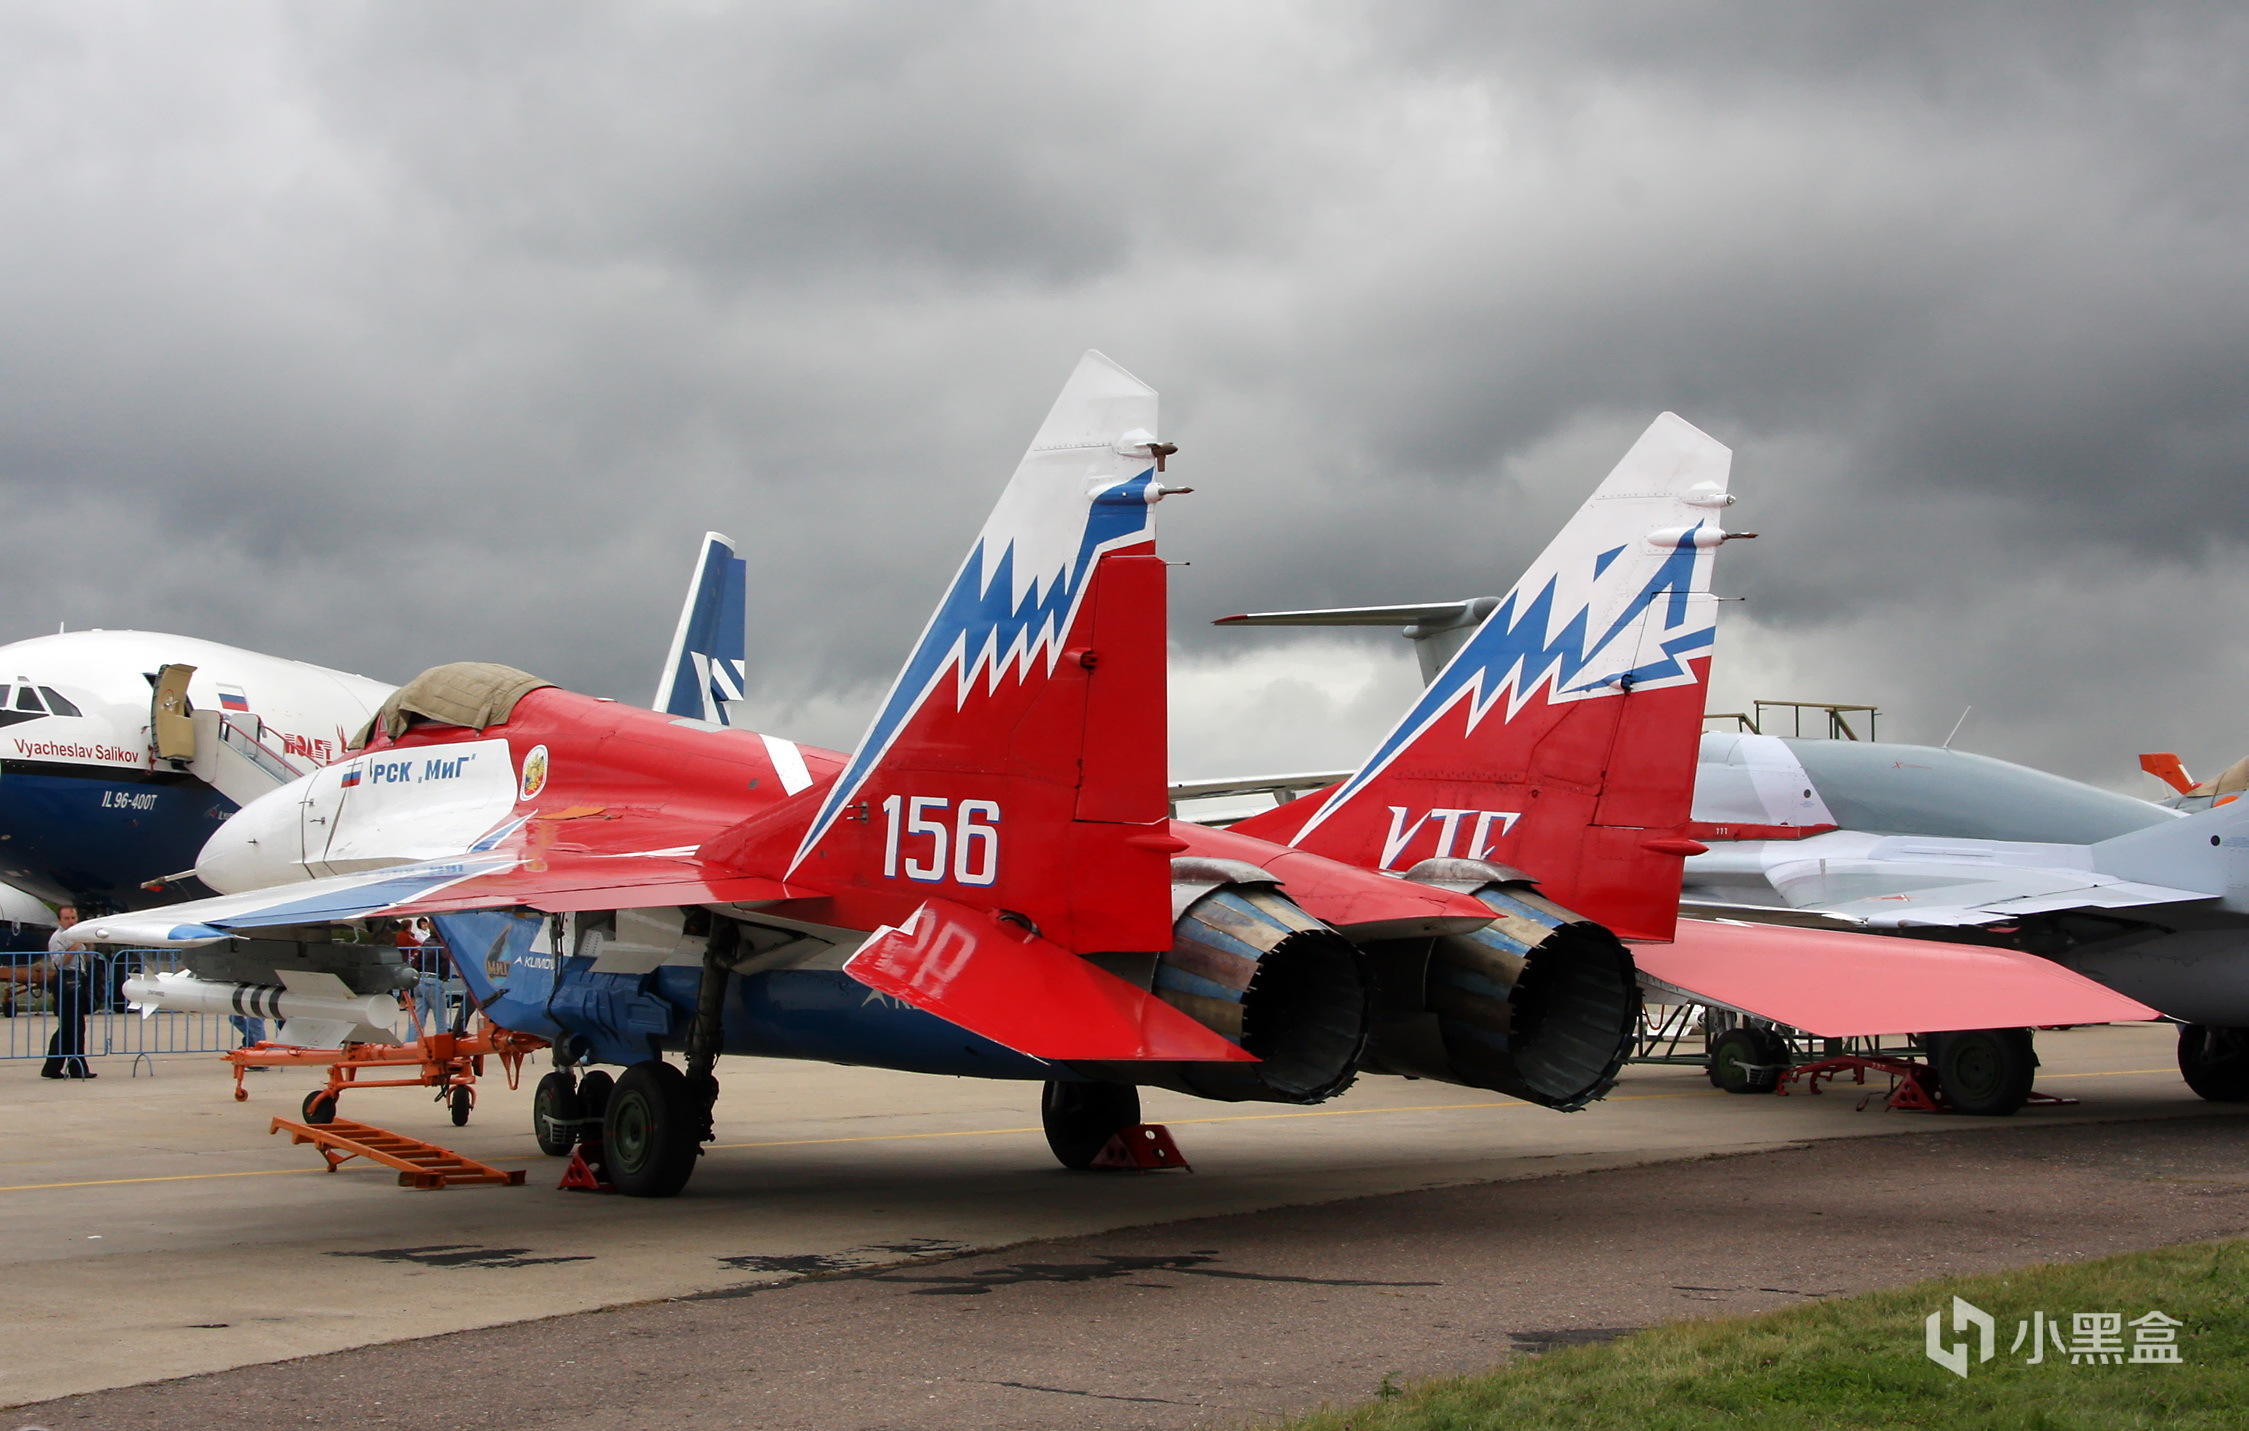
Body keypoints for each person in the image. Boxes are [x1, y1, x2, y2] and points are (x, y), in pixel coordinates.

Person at [41, 905, 93, 1079]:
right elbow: (60, 962)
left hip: (78, 978)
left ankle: (58, 1066)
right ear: (60, 921)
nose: (71, 922)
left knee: (72, 1027)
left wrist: (88, 941)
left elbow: (86, 957)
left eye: (73, 918)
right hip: (66, 981)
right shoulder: (58, 938)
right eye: (67, 918)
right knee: (72, 1026)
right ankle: (75, 1067)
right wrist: (75, 945)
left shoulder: (77, 934)